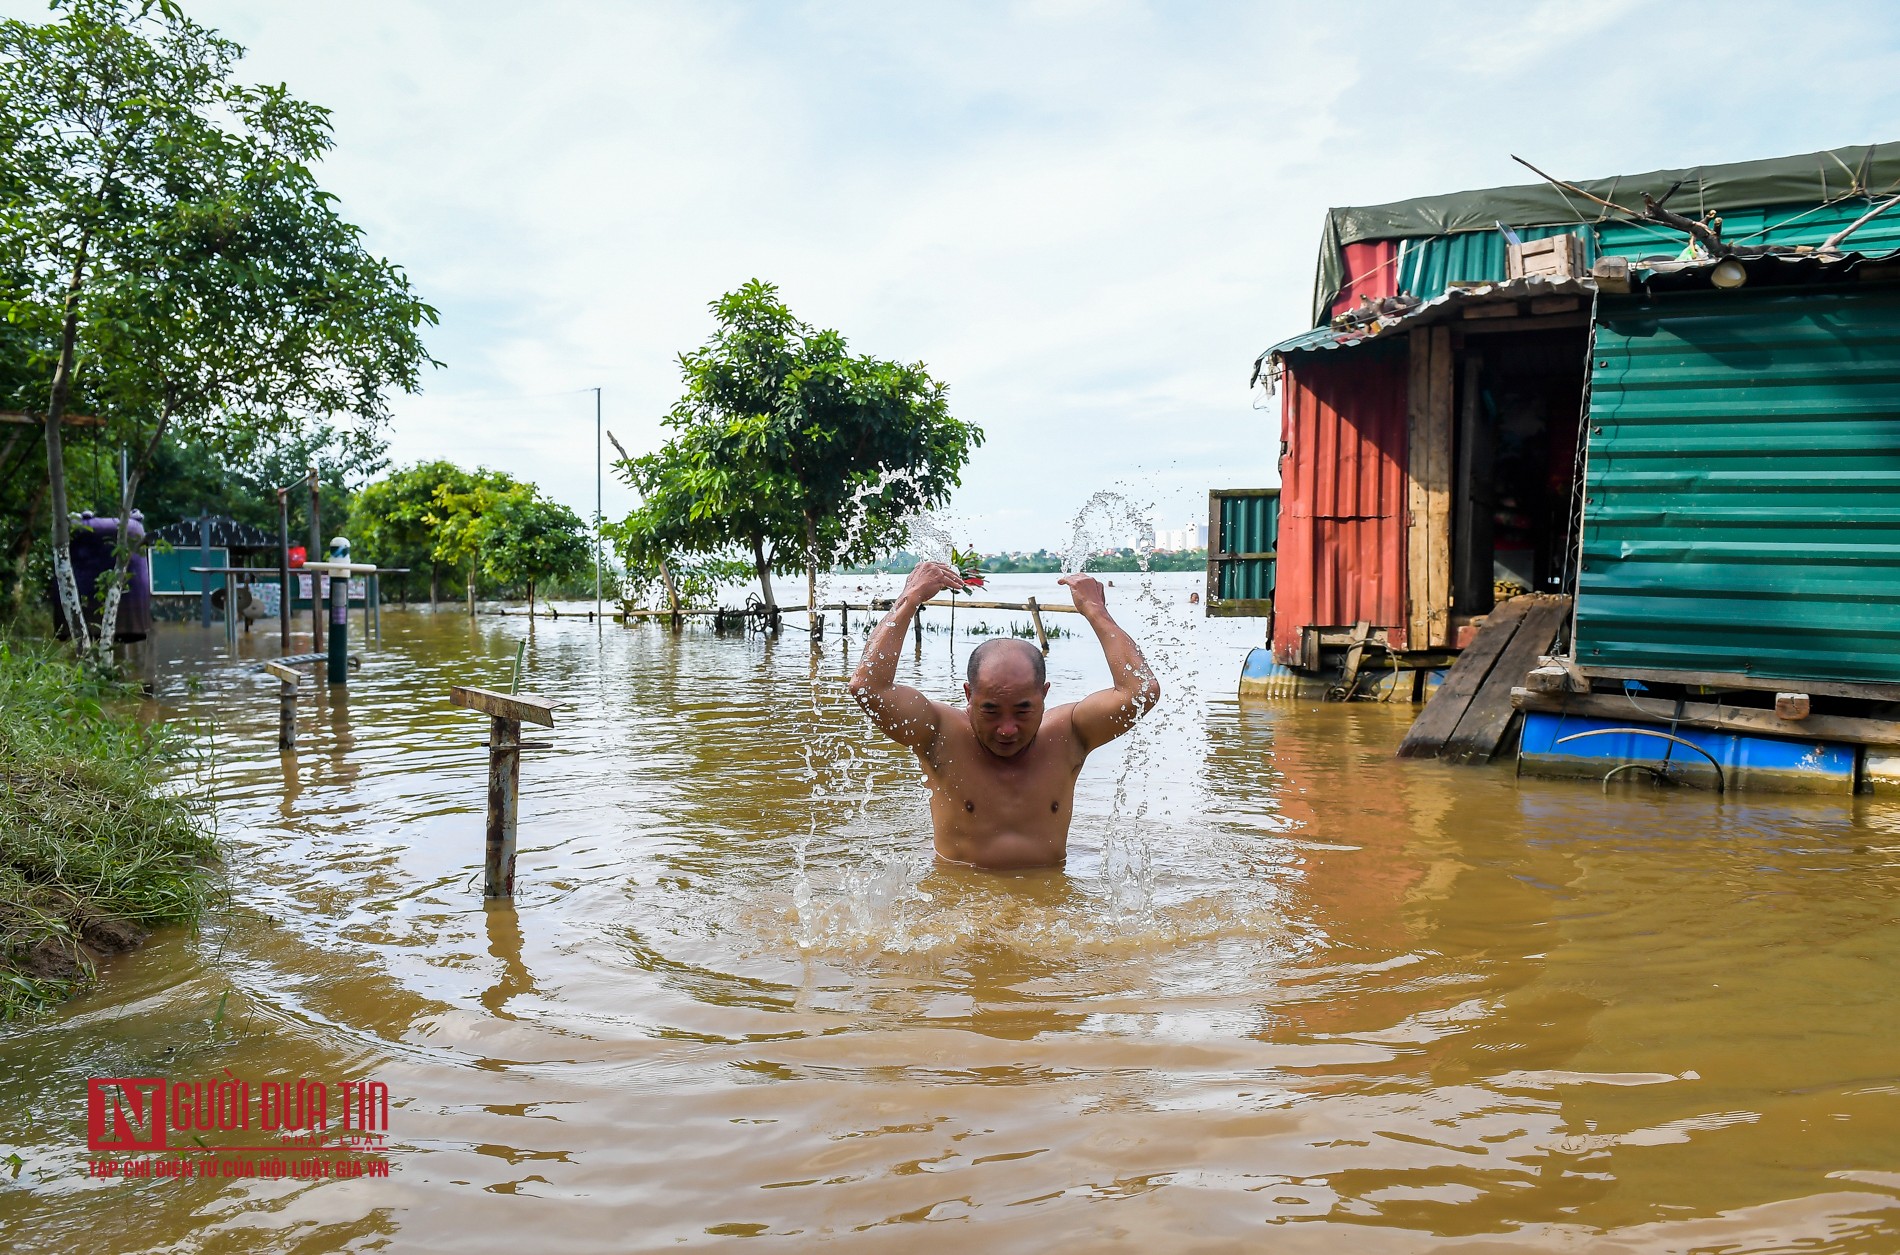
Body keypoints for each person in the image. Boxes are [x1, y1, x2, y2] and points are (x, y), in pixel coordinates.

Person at [847, 561, 1160, 870]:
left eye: (1023, 710)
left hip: (1048, 904)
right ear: (969, 696)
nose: (1007, 730)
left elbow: (1141, 692)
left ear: (1044, 695)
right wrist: (908, 600)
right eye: (991, 711)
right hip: (961, 903)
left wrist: (1096, 611)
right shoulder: (940, 733)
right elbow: (867, 687)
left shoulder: (1069, 734)